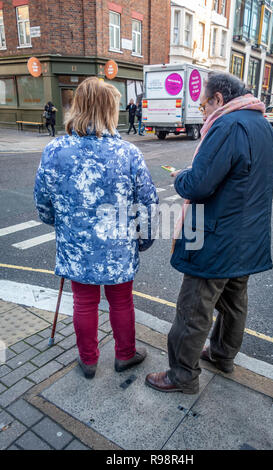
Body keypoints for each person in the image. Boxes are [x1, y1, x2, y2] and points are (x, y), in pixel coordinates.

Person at [145, 72, 273, 394]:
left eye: (204, 104)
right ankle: (222, 356)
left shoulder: (227, 126)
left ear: (219, 99)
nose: (202, 111)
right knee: (234, 304)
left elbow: (199, 185)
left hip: (215, 238)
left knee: (194, 308)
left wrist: (180, 178)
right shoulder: (264, 127)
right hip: (248, 238)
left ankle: (182, 375)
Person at [34, 78, 159, 379]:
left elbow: (42, 201)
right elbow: (149, 202)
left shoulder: (56, 150)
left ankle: (88, 361)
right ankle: (125, 354)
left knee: (84, 302)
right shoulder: (127, 153)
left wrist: (63, 225)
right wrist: (144, 240)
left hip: (77, 247)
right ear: (109, 110)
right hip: (118, 246)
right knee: (121, 301)